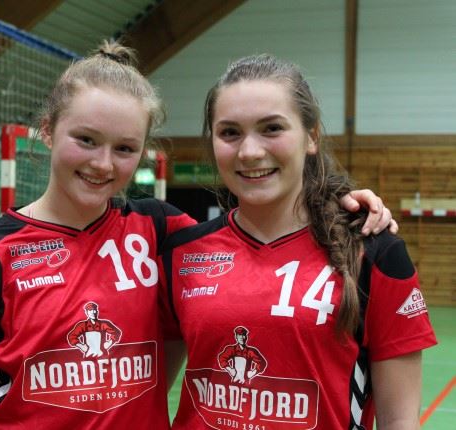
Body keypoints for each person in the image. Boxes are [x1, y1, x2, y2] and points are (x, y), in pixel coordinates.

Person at [0, 40, 393, 429]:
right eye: (86, 140)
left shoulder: (161, 231)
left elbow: (256, 242)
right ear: (46, 130)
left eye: (125, 148)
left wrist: (336, 204)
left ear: (142, 153)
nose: (102, 163)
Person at [160, 54, 437, 429]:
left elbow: (400, 420)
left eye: (272, 128)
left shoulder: (372, 253)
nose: (250, 151)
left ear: (311, 136)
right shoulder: (181, 253)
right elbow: (141, 396)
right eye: (229, 132)